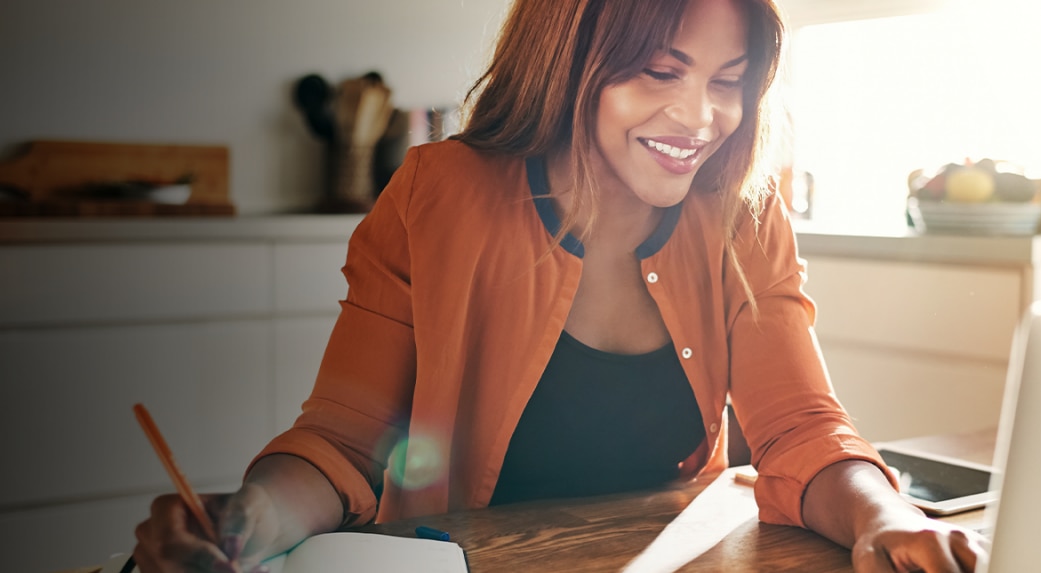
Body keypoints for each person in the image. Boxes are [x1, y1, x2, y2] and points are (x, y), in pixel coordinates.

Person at [133, 0, 989, 571]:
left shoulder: (743, 213)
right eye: (661, 71)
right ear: (571, 58)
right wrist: (251, 522)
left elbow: (801, 427)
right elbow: (345, 444)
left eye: (727, 82)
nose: (701, 119)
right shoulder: (437, 195)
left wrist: (885, 516)